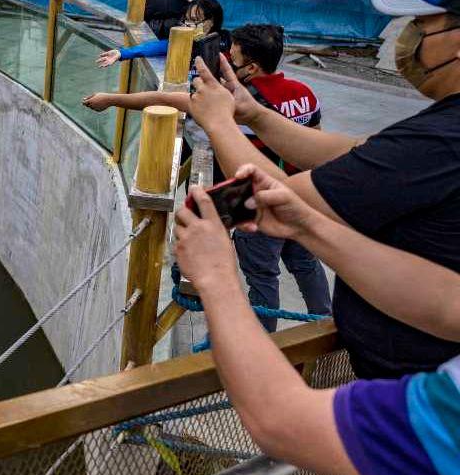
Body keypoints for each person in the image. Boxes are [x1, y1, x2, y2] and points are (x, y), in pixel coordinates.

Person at [186, 0, 460, 379]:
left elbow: (274, 202)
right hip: (403, 367)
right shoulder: (435, 130)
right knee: (304, 266)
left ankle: (262, 354)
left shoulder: (443, 140)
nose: (410, 36)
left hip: (410, 391)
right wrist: (253, 115)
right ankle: (315, 326)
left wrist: (218, 135)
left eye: (424, 23)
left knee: (263, 276)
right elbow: (355, 152)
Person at [175, 164, 460, 475]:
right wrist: (307, 226)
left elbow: (281, 420)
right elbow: (448, 302)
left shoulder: (447, 407)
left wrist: (215, 276)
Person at [85, 25, 330, 329]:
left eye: (232, 58)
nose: (225, 60)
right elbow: (314, 145)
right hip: (301, 193)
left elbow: (167, 100)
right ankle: (326, 325)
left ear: (251, 68)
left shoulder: (236, 103)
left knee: (261, 275)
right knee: (305, 263)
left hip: (255, 197)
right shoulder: (305, 94)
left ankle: (262, 345)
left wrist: (111, 99)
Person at [95, 0, 228, 68]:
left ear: (211, 21)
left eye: (195, 20)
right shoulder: (184, 41)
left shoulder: (226, 44)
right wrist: (121, 53)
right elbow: (154, 47)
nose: (189, 25)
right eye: (187, 20)